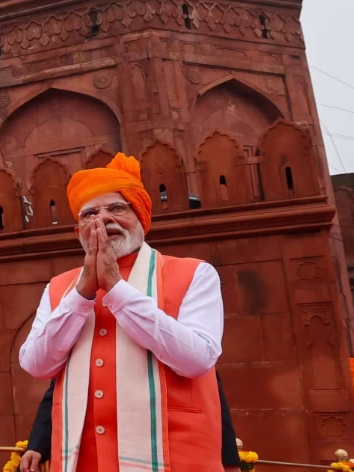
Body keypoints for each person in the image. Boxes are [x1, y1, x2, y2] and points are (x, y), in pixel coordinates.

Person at [18, 153, 224, 472]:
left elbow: (198, 359)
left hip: (174, 459)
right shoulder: (60, 288)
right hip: (81, 460)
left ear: (141, 217)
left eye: (116, 208)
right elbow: (36, 363)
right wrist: (81, 295)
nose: (103, 219)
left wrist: (116, 290)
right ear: (78, 232)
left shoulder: (195, 274)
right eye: (90, 213)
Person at [21, 373, 242, 472]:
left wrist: (228, 459)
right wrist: (37, 446)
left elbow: (208, 394)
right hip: (93, 456)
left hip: (159, 452)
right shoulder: (79, 330)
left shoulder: (170, 332)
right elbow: (58, 392)